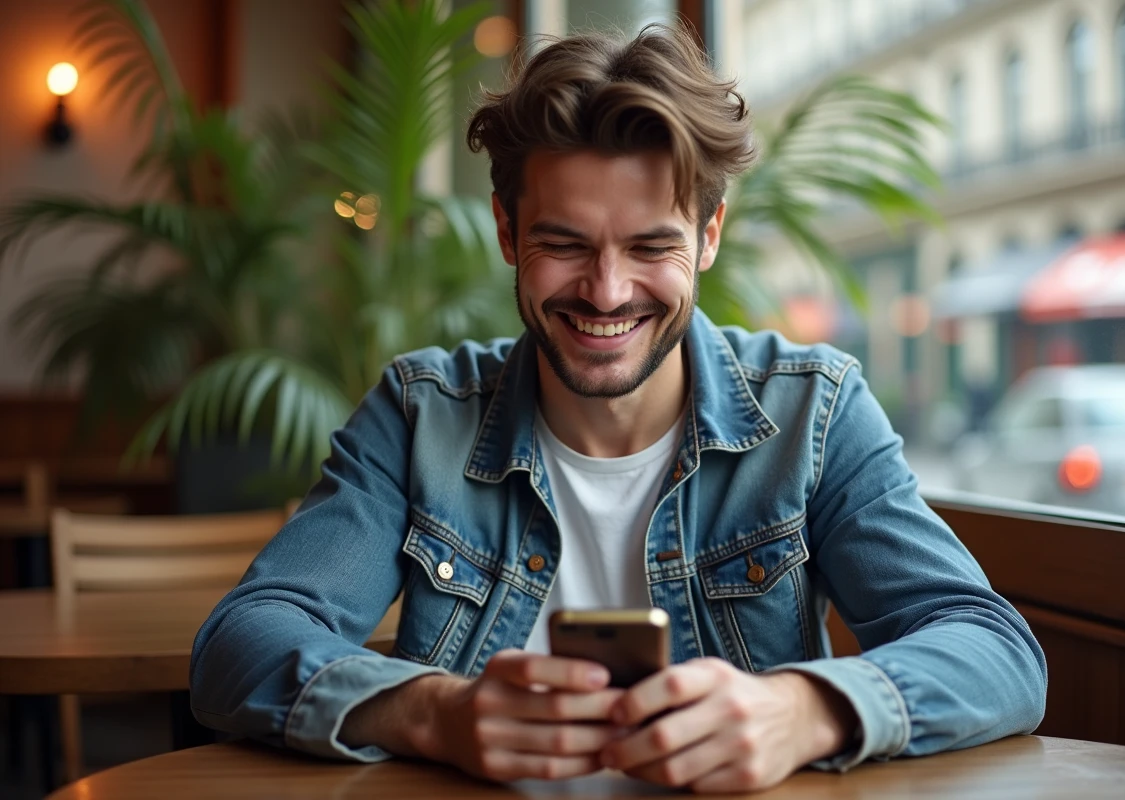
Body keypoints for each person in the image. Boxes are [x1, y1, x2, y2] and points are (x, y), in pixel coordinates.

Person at [190, 24, 1046, 793]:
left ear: (708, 236)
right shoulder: (422, 413)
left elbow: (994, 650)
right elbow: (242, 643)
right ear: (504, 231)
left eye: (650, 247)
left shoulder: (811, 411)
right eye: (563, 244)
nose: (606, 292)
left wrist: (805, 710)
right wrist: (433, 714)